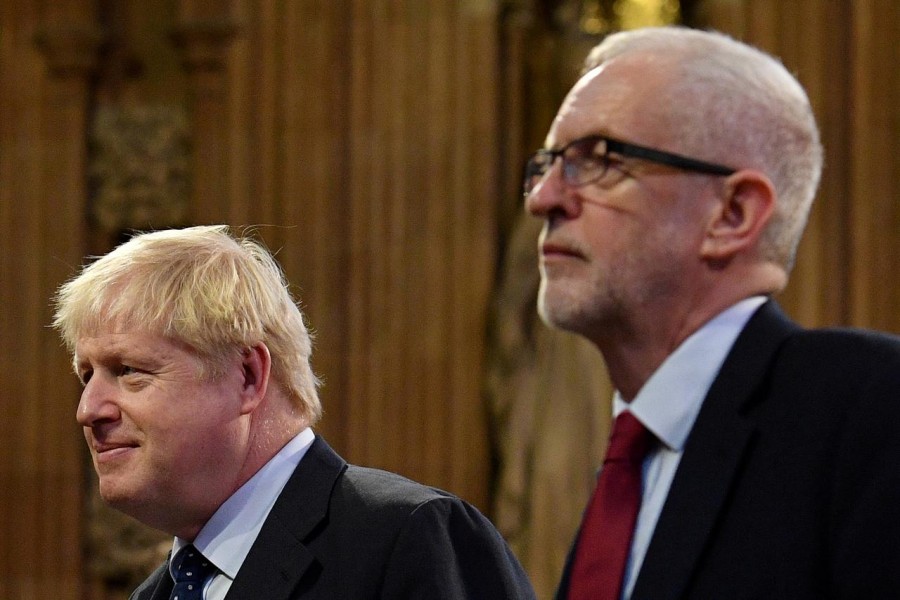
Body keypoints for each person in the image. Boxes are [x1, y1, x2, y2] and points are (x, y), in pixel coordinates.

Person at [523, 26, 900, 600]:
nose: (542, 199)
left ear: (733, 214)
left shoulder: (870, 407)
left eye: (598, 161)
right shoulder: (629, 465)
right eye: (547, 165)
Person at [53, 225, 536, 600]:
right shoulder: (158, 594)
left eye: (129, 370)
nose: (88, 409)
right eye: (86, 375)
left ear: (247, 376)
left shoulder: (407, 538)